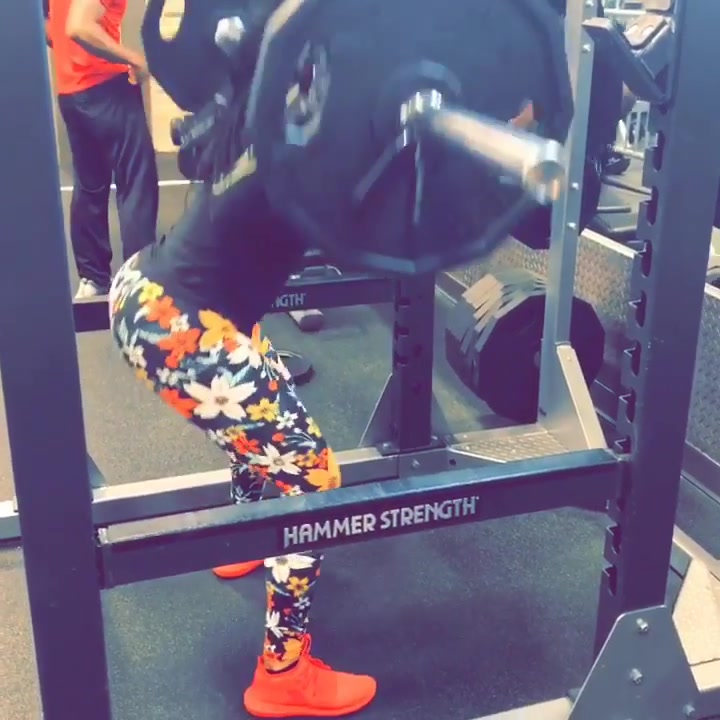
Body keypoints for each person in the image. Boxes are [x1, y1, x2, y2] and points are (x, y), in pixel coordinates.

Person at [107, 5, 377, 718]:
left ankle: (248, 532)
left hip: (148, 292)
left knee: (259, 380)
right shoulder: (309, 142)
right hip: (180, 326)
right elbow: (374, 230)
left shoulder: (257, 115)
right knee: (314, 479)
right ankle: (283, 673)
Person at [46, 0, 159, 299]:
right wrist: (133, 59)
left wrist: (74, 58)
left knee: (90, 185)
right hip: (106, 86)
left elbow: (50, 28)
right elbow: (79, 27)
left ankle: (93, 279)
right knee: (136, 182)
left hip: (72, 93)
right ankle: (137, 283)